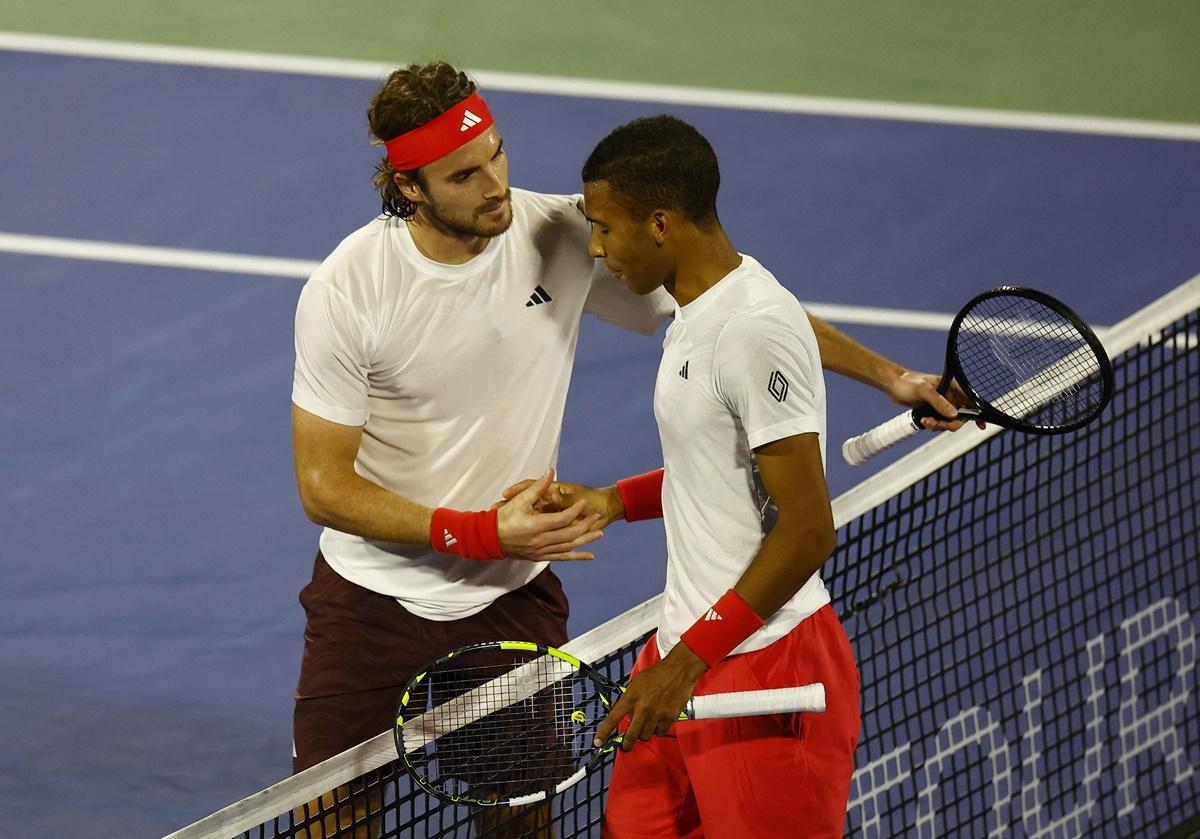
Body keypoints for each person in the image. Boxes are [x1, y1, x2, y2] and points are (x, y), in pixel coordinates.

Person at [289, 62, 967, 837]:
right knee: (323, 822)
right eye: (464, 175)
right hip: (370, 602)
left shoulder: (559, 236)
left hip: (510, 601)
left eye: (498, 155)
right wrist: (479, 530)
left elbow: (738, 309)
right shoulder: (349, 290)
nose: (496, 185)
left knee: (521, 826)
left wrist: (888, 374)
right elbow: (322, 486)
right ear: (408, 187)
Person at [518, 114, 860, 838]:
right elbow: (713, 470)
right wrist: (615, 499)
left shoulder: (750, 331)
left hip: (768, 673)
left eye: (607, 228)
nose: (598, 249)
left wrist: (687, 665)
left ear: (662, 224)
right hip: (682, 652)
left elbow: (808, 528)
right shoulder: (697, 311)